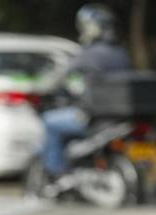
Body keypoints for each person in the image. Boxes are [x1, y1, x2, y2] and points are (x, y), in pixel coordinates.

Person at [39, 3, 133, 177]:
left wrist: (45, 87)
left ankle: (56, 172)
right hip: (121, 118)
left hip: (94, 118)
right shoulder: (121, 54)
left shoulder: (89, 54)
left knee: (49, 122)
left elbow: (59, 78)